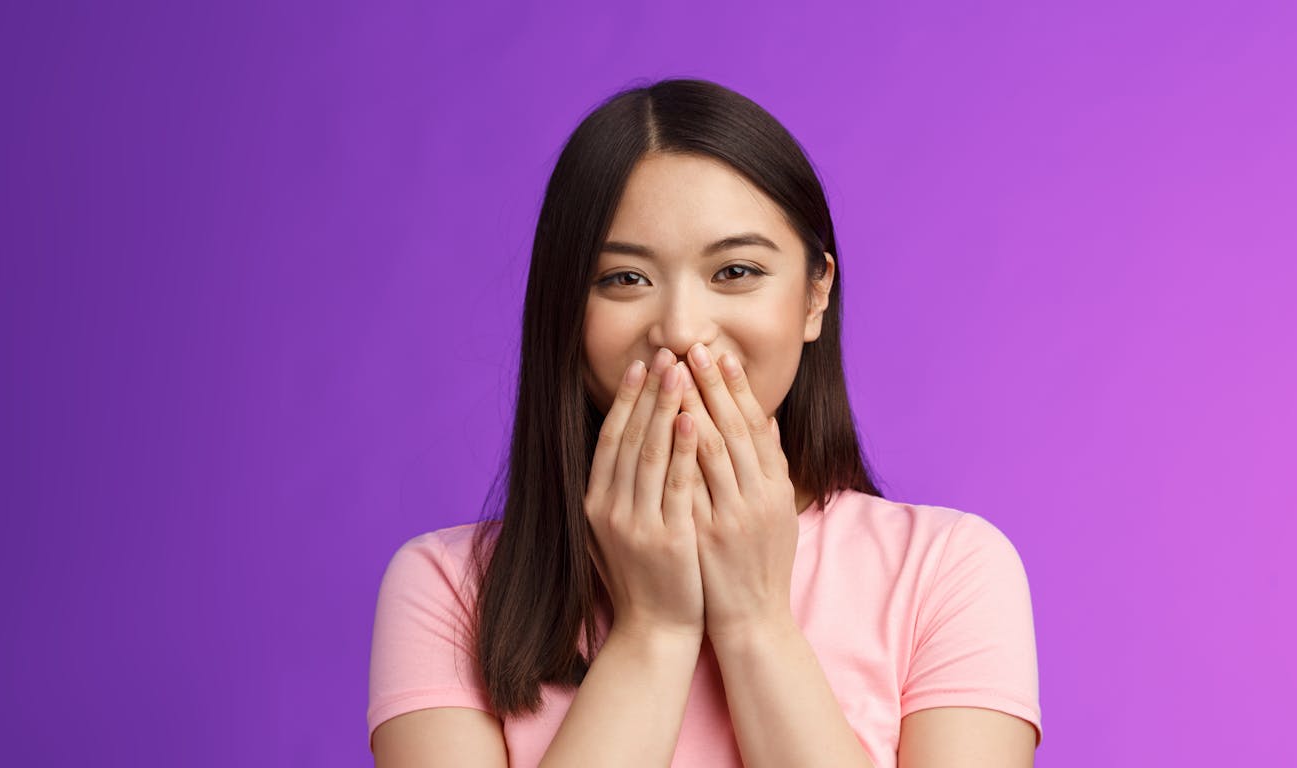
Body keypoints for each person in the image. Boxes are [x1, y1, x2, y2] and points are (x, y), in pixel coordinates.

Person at [366, 78, 1041, 767]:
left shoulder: (948, 570)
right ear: (565, 311)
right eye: (624, 279)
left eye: (736, 271)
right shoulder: (449, 588)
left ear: (814, 297)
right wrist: (651, 632)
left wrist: (756, 622)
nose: (682, 331)